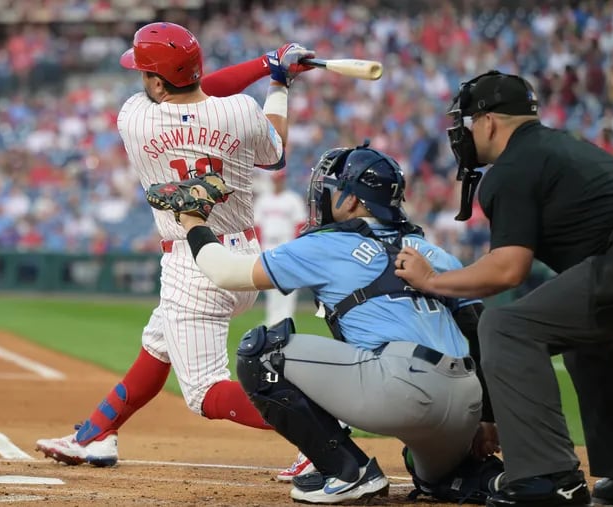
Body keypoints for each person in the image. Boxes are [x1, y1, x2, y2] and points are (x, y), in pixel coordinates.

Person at [154, 142, 503, 505]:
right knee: (435, 477)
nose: (323, 196)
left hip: (401, 390)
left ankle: (347, 471)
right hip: (465, 403)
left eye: (332, 190)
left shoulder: (329, 244)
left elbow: (225, 272)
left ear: (352, 201)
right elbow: (477, 331)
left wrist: (193, 221)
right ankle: (484, 478)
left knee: (261, 353)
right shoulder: (433, 251)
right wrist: (488, 417)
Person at [35, 22, 315, 466]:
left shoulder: (135, 117)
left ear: (158, 83)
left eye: (146, 73)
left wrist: (265, 64)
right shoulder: (241, 111)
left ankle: (318, 436)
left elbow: (195, 89)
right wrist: (277, 79)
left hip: (192, 261)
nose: (140, 79)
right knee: (157, 345)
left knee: (204, 391)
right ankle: (95, 435)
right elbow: (274, 154)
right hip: (244, 258)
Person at [395, 70, 613, 507]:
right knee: (585, 341)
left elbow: (507, 270)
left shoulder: (511, 167)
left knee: (505, 326)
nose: (463, 134)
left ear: (488, 121)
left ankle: (548, 478)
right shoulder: (561, 146)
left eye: (467, 123)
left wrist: (432, 280)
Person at [253, 170, 307, 326]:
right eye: (276, 179)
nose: (278, 182)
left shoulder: (293, 199)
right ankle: (272, 320)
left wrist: (295, 246)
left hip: (286, 244)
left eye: (280, 179)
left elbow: (300, 224)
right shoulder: (264, 200)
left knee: (288, 284)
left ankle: (287, 319)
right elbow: (257, 225)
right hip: (268, 244)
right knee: (270, 284)